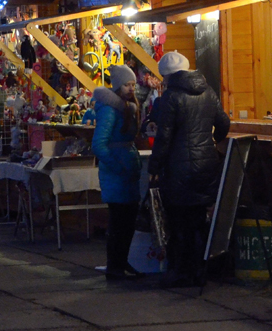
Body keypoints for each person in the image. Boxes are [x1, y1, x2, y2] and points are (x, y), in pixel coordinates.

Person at [148, 51, 231, 288]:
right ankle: (201, 270)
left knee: (178, 221)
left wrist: (154, 167)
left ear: (167, 75)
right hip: (207, 165)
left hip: (178, 169)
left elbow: (164, 138)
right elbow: (223, 122)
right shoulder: (208, 91)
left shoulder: (171, 97)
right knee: (198, 218)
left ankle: (180, 272)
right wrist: (211, 142)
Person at [92, 64, 144, 280]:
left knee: (127, 220)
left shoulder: (127, 107)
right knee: (119, 220)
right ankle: (115, 265)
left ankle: (121, 262)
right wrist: (117, 165)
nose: (131, 89)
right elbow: (99, 144)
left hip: (126, 171)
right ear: (117, 86)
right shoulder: (110, 110)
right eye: (126, 85)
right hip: (117, 173)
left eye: (133, 84)